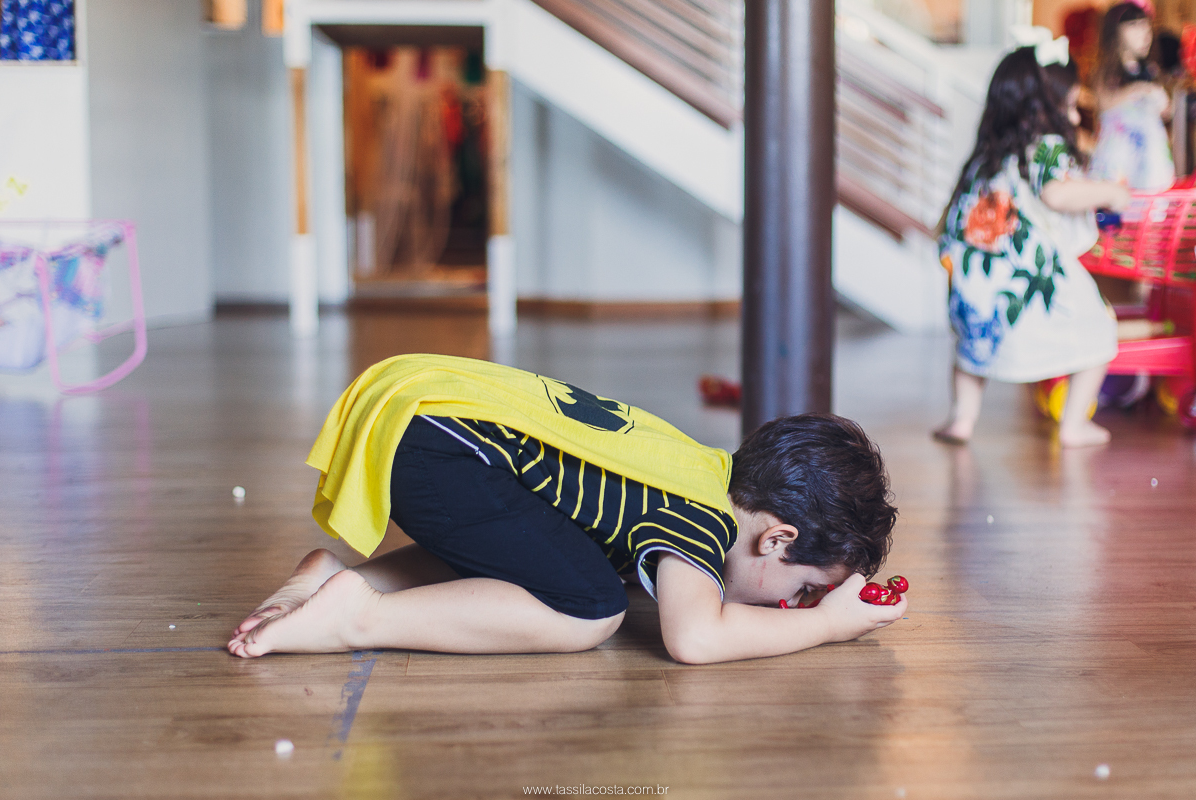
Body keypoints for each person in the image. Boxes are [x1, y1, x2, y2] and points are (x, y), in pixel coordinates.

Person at [228, 354, 904, 664]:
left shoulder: (703, 468)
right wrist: (828, 629)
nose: (791, 605)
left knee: (550, 559)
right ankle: (360, 616)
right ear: (776, 540)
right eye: (805, 590)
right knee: (589, 608)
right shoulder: (704, 520)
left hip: (426, 416)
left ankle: (334, 576)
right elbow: (695, 638)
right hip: (445, 450)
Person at [935, 46, 1131, 448]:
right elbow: (1058, 194)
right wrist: (1110, 192)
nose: (1075, 118)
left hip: (974, 291)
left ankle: (962, 419)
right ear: (1048, 106)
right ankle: (1074, 425)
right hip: (1022, 285)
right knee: (1099, 328)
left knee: (971, 353)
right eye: (1072, 107)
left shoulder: (986, 155)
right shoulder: (1046, 145)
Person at [1089, 2, 1174, 190]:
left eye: (1147, 26)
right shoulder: (1105, 72)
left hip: (1150, 161)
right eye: (1134, 26)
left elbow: (1165, 113)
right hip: (1118, 163)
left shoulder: (1151, 71)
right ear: (1115, 32)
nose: (1145, 34)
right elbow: (1103, 103)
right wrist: (1138, 90)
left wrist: (1165, 105)